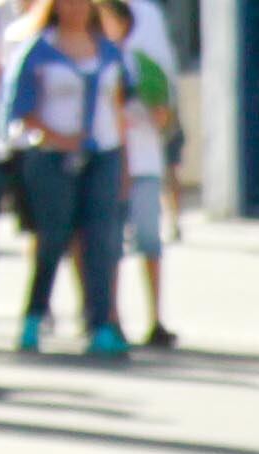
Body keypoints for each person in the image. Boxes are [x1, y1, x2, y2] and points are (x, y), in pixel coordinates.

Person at [4, 0, 129, 357]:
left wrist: (123, 165)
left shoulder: (107, 52)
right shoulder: (38, 51)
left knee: (101, 239)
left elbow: (118, 104)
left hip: (102, 153)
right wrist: (60, 139)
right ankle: (33, 318)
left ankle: (101, 324)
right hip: (51, 157)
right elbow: (21, 111)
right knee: (54, 238)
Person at [91, 0, 166, 344]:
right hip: (104, 163)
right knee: (108, 246)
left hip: (143, 163)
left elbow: (167, 119)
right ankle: (108, 317)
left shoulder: (144, 66)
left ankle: (155, 319)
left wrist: (143, 108)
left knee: (148, 240)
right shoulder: (93, 61)